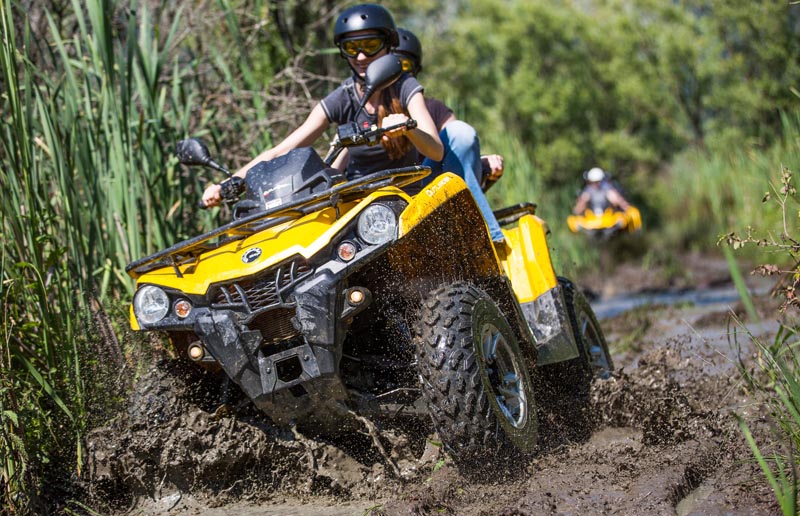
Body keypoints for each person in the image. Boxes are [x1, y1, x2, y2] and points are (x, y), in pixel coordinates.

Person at [201, 4, 443, 208]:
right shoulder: (343, 97)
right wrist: (229, 183)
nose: (360, 56)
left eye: (370, 46)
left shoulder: (404, 86)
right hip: (357, 198)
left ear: (388, 46)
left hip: (403, 195)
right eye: (351, 47)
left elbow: (435, 151)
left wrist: (409, 128)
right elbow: (282, 150)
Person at [393, 28, 506, 244]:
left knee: (461, 132)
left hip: (431, 189)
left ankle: (478, 233)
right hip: (391, 200)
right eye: (390, 66)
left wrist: (481, 161)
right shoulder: (367, 112)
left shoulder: (434, 108)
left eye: (403, 66)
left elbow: (460, 145)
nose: (396, 74)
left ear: (415, 70)